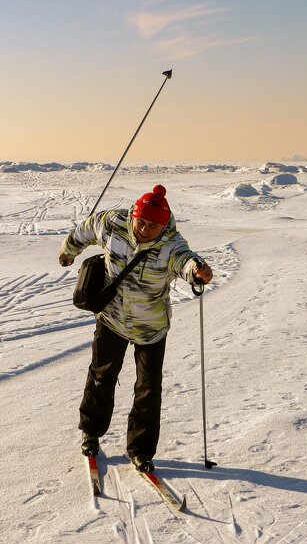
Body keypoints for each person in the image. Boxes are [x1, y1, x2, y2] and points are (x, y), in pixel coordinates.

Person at [58, 184, 213, 473]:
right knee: (102, 375)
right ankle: (91, 432)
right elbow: (85, 229)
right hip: (112, 318)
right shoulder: (113, 222)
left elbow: (184, 260)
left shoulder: (171, 243)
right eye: (141, 221)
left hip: (150, 327)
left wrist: (196, 271)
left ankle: (141, 450)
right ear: (134, 215)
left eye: (153, 225)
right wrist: (69, 250)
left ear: (163, 224)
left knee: (148, 388)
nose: (144, 229)